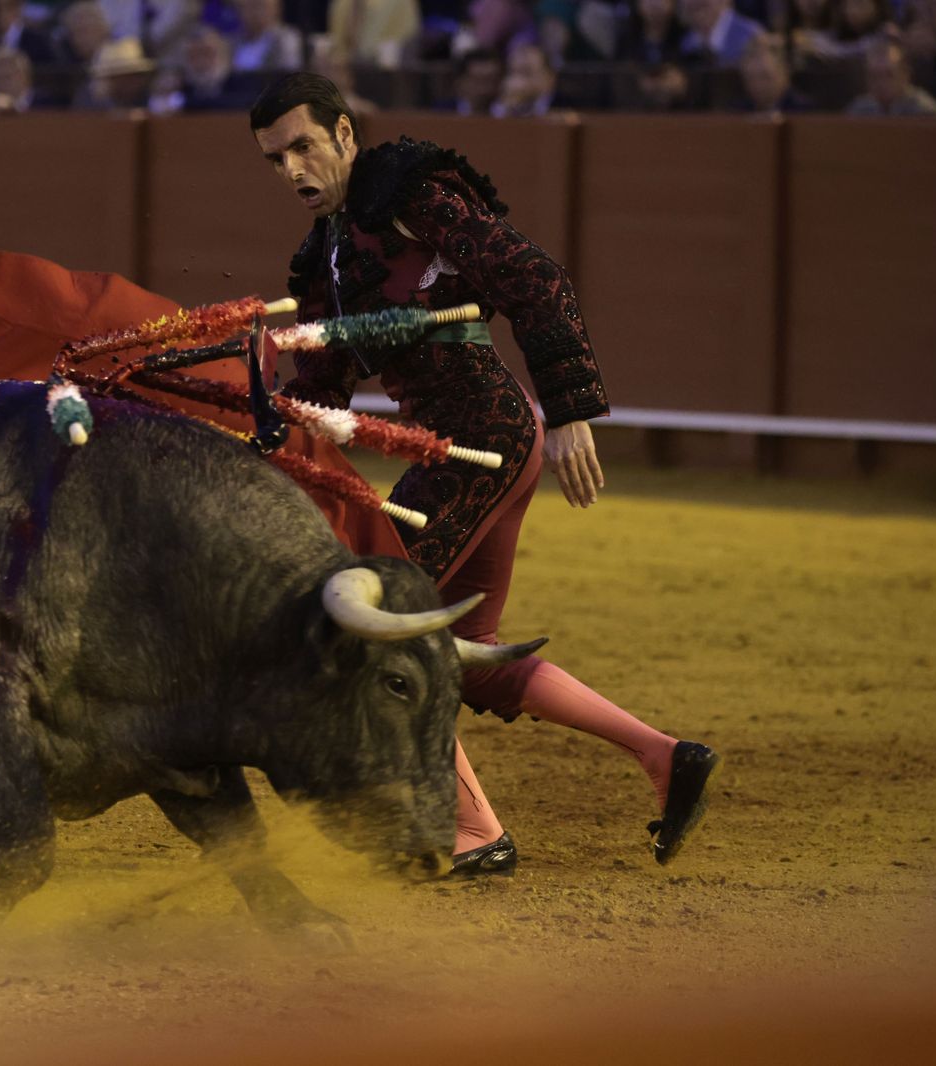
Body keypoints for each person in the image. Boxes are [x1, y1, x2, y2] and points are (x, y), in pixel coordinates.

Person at [248, 72, 721, 872]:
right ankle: (664, 755)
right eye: (274, 158)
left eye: (303, 146)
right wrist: (261, 417)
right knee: (469, 655)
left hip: (480, 444)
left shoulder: (409, 198)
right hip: (467, 449)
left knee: (366, 628)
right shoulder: (325, 255)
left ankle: (474, 833)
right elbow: (321, 387)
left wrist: (570, 410)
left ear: (344, 136)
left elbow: (533, 279)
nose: (293, 168)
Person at [846, 34, 936, 114]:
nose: (880, 83)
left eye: (889, 75)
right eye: (874, 76)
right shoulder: (858, 110)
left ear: (905, 75)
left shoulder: (925, 111)